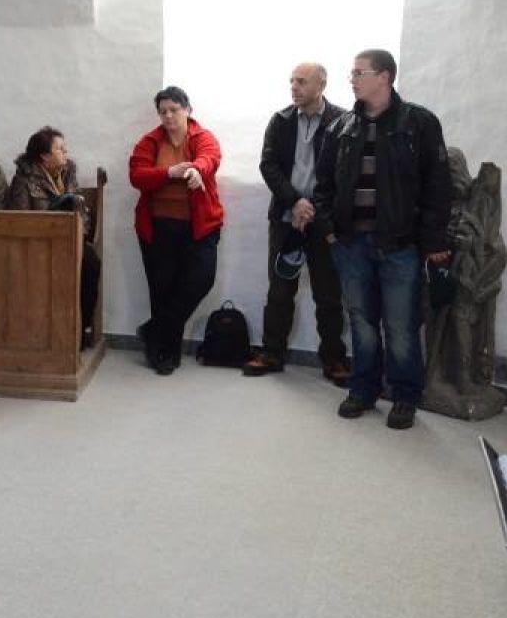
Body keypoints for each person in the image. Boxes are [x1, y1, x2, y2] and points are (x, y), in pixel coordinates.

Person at [313, 49, 452, 430]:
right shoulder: (341, 127)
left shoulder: (419, 123)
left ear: (385, 77)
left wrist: (433, 240)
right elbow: (322, 184)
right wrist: (328, 229)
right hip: (350, 244)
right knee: (361, 321)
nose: (352, 79)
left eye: (360, 73)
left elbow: (438, 185)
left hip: (400, 243)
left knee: (401, 325)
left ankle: (405, 396)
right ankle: (363, 389)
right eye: (352, 73)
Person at [244, 63, 349, 385]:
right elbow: (268, 165)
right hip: (286, 219)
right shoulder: (281, 120)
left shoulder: (342, 121)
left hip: (323, 220)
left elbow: (344, 172)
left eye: (302, 81)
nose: (294, 87)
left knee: (328, 293)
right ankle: (272, 353)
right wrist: (295, 202)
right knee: (279, 290)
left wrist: (314, 206)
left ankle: (334, 359)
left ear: (321, 84)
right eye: (292, 81)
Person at [129, 87, 224, 375]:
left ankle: (153, 330)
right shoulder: (150, 141)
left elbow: (210, 158)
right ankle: (165, 353)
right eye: (163, 111)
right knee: (162, 289)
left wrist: (196, 170)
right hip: (158, 227)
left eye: (174, 109)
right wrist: (169, 173)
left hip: (199, 226)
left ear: (187, 110)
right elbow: (137, 175)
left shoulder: (203, 137)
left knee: (202, 279)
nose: (169, 116)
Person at [7, 126, 100, 347]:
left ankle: (80, 327)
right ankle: (43, 333)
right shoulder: (23, 180)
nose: (66, 152)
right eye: (60, 149)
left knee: (91, 262)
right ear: (44, 156)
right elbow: (20, 220)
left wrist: (80, 233)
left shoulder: (68, 173)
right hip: (39, 245)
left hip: (71, 240)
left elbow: (83, 212)